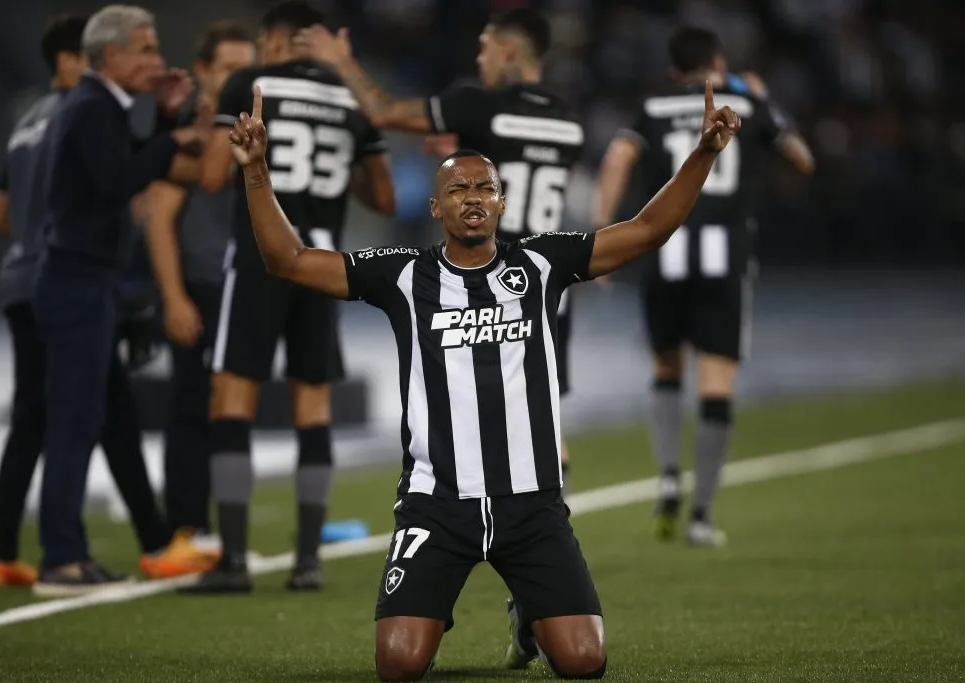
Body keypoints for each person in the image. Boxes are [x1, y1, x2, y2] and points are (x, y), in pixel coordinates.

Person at [227, 78, 740, 680]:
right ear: (436, 207)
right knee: (398, 664)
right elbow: (285, 260)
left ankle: (529, 614)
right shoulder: (400, 274)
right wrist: (257, 172)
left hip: (532, 505)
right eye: (457, 188)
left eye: (485, 187)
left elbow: (648, 229)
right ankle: (491, 605)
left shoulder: (543, 263)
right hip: (436, 505)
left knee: (584, 661)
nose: (473, 196)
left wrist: (703, 154)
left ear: (501, 202)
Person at [297, 8, 584, 493]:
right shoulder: (567, 122)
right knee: (539, 417)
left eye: (485, 49)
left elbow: (384, 111)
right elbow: (512, 151)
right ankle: (545, 518)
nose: (481, 60)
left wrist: (342, 62)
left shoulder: (477, 106)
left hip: (489, 279)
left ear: (508, 50)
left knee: (463, 414)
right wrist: (462, 148)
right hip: (550, 284)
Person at [0, 13, 216, 591]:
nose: (157, 62)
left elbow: (118, 163)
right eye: (145, 50)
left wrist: (161, 121)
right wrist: (171, 139)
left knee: (104, 416)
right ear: (108, 56)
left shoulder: (90, 106)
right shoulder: (89, 106)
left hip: (78, 282)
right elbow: (118, 179)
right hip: (75, 281)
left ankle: (143, 543)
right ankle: (62, 556)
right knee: (73, 421)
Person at [179, 0, 394, 595]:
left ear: (273, 40)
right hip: (323, 258)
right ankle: (306, 562)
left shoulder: (250, 83)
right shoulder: (351, 97)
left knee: (232, 397)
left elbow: (216, 178)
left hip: (260, 253)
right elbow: (382, 197)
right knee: (313, 405)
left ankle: (235, 562)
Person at [594, 26, 814, 547]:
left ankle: (669, 475)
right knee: (716, 381)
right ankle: (702, 515)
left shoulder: (652, 106)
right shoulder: (746, 100)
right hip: (725, 256)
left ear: (674, 70)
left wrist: (602, 237)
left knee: (667, 369)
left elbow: (617, 159)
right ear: (718, 60)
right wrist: (762, 102)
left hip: (664, 251)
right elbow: (803, 159)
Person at [144, 21, 255, 543]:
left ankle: (215, 525)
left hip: (240, 284)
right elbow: (158, 220)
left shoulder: (250, 130)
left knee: (226, 407)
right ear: (205, 71)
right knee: (192, 404)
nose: (241, 75)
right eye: (230, 66)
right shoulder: (186, 134)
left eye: (247, 66)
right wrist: (173, 297)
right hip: (201, 283)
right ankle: (186, 525)